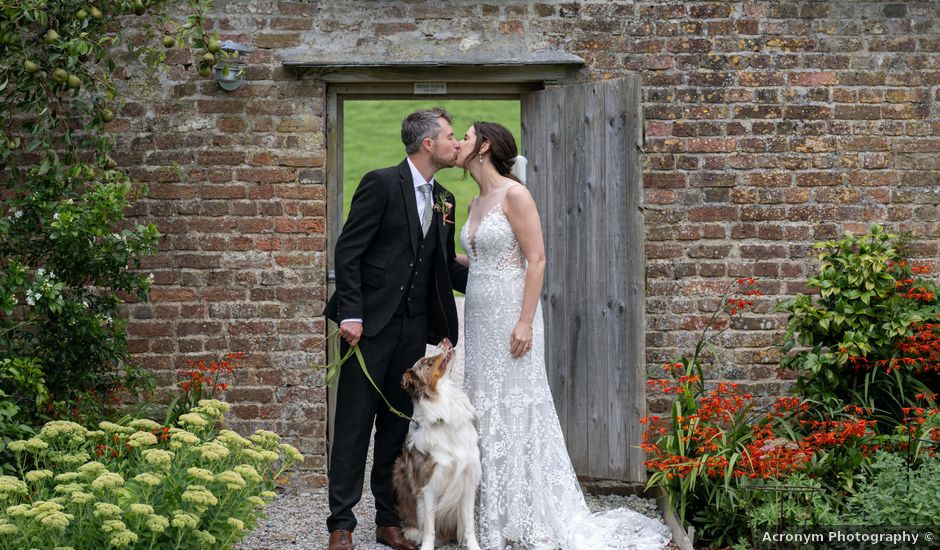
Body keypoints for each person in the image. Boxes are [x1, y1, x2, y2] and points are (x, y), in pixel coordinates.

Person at [455, 121, 671, 550]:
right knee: (486, 405)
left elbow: (536, 260)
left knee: (516, 405)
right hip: (479, 317)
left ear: (483, 147)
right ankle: (492, 514)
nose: (458, 142)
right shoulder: (476, 202)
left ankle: (525, 515)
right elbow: (478, 260)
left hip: (513, 315)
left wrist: (524, 321)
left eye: (465, 135)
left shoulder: (515, 194)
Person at [324, 108, 469, 550]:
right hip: (367, 328)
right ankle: (341, 525)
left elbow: (441, 269)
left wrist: (498, 279)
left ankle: (387, 520)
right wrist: (350, 313)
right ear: (428, 143)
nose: (454, 144)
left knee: (396, 426)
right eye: (449, 136)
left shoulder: (445, 199)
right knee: (352, 425)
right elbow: (349, 249)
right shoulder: (382, 183)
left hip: (412, 331)